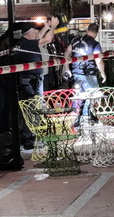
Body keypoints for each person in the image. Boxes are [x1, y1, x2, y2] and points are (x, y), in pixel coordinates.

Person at [16, 17, 59, 149]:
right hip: (29, 81)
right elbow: (47, 39)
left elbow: (39, 37)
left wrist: (46, 26)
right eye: (35, 30)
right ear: (29, 32)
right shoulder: (26, 44)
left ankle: (29, 136)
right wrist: (53, 27)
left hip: (31, 80)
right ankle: (29, 138)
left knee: (32, 109)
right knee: (32, 110)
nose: (37, 32)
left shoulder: (25, 42)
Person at [63, 23, 106, 126]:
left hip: (75, 74)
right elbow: (98, 60)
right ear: (96, 32)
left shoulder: (75, 40)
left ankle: (74, 120)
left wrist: (66, 68)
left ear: (87, 30)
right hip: (89, 75)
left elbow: (66, 54)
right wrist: (103, 73)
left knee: (77, 97)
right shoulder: (94, 44)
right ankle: (86, 120)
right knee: (92, 97)